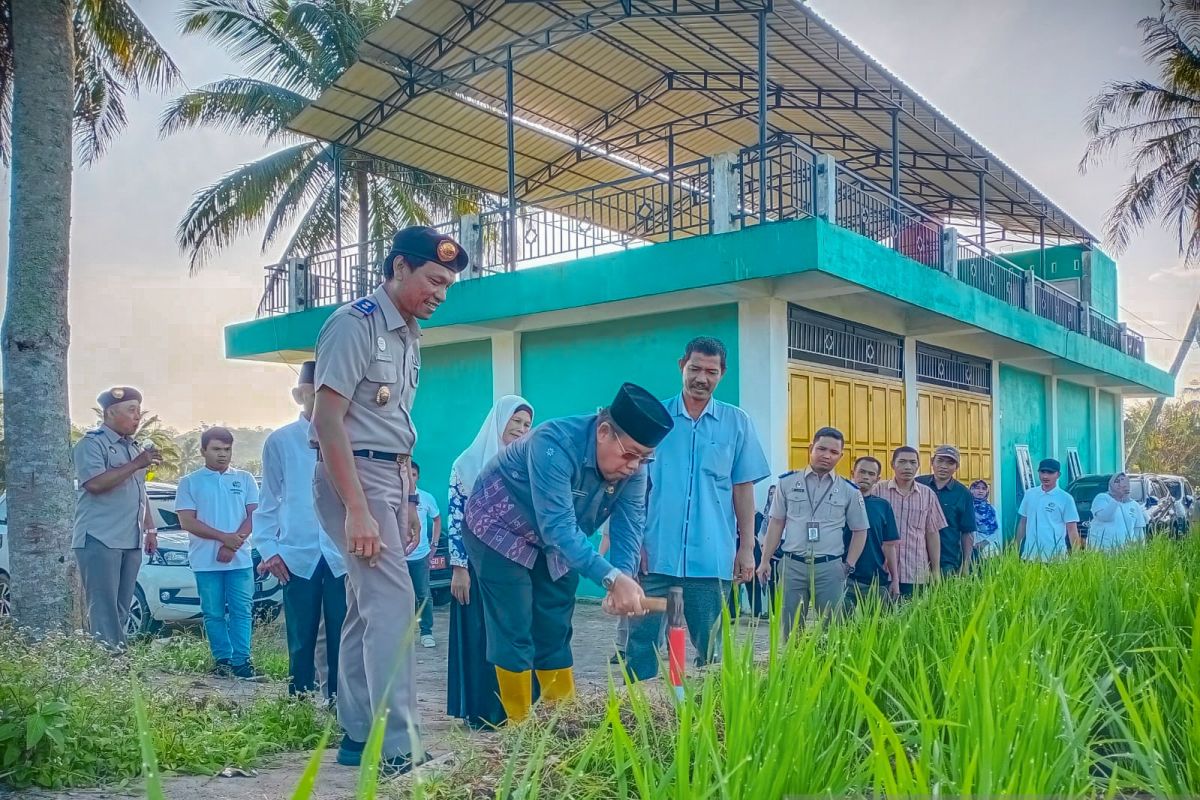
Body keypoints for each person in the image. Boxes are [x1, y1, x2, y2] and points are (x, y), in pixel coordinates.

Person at [310, 225, 468, 774]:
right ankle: (399, 747)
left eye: (447, 285)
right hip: (352, 476)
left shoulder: (408, 336)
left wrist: (403, 504)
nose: (440, 294)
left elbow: (395, 432)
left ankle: (357, 735)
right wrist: (356, 508)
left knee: (366, 608)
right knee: (395, 609)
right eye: (433, 280)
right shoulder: (355, 325)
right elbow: (327, 422)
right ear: (400, 266)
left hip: (389, 480)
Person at [462, 383, 671, 722]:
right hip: (500, 527)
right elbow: (558, 527)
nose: (635, 466)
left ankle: (563, 725)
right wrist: (610, 578)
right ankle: (520, 730)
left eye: (644, 457)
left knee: (555, 623)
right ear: (604, 432)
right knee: (515, 625)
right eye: (630, 454)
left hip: (555, 535)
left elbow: (630, 525)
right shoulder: (554, 443)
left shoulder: (634, 467)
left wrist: (625, 577)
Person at [625, 337, 769, 683]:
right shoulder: (653, 419)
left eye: (711, 371)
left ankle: (711, 716)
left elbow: (742, 489)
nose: (701, 378)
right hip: (655, 553)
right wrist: (635, 544)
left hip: (710, 555)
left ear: (722, 374)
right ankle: (640, 713)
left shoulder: (737, 423)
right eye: (695, 369)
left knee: (712, 647)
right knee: (642, 641)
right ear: (681, 366)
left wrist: (746, 548)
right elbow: (633, 487)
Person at [253, 361, 347, 698]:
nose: (320, 400)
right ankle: (300, 701)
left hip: (340, 553)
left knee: (342, 632)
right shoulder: (281, 441)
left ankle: (339, 702)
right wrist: (269, 549)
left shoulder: (348, 435)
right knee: (301, 634)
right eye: (313, 394)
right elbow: (268, 502)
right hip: (297, 553)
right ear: (299, 395)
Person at [446, 395, 534, 728]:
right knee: (481, 635)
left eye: (527, 424)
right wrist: (459, 568)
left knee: (514, 636)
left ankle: (518, 710)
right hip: (476, 567)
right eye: (516, 422)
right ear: (499, 421)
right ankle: (483, 711)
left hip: (517, 569)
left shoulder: (527, 465)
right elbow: (456, 518)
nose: (522, 429)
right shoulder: (466, 465)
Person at [72, 387, 163, 651]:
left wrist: (150, 529)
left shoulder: (133, 447)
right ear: (111, 412)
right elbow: (95, 484)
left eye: (139, 411)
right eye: (131, 411)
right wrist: (136, 464)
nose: (137, 417)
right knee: (103, 605)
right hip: (100, 537)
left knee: (122, 605)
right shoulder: (91, 444)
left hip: (130, 537)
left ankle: (114, 656)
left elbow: (139, 492)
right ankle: (111, 661)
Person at [756, 427, 868, 638]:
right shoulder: (787, 482)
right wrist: (764, 561)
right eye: (821, 449)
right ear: (811, 448)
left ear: (840, 456)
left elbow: (860, 530)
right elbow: (776, 522)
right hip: (792, 566)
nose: (826, 455)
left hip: (829, 567)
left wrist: (848, 565)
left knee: (833, 630)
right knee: (789, 629)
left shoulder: (849, 490)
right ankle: (791, 668)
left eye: (834, 452)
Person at [176, 427, 261, 680]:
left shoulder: (244, 479)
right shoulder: (190, 482)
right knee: (213, 612)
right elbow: (187, 522)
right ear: (203, 451)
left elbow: (254, 514)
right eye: (216, 449)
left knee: (241, 610)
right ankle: (222, 660)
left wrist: (233, 544)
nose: (222, 455)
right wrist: (224, 539)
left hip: (240, 559)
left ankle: (242, 661)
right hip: (205, 560)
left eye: (227, 449)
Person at [871, 446, 946, 597]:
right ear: (892, 464)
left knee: (913, 617)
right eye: (902, 462)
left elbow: (932, 533)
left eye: (912, 462)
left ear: (918, 465)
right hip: (882, 569)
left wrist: (936, 570)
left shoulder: (927, 494)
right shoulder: (877, 491)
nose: (908, 467)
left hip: (916, 570)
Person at [843, 456, 901, 612]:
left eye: (871, 474)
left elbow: (889, 546)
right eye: (862, 472)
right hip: (844, 579)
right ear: (852, 472)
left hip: (876, 581)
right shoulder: (839, 503)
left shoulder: (883, 507)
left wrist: (894, 580)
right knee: (841, 632)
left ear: (877, 478)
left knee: (880, 632)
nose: (865, 477)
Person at [916, 445, 976, 577]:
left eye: (950, 463)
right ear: (932, 462)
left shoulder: (963, 493)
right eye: (940, 461)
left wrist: (965, 565)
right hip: (915, 557)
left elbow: (967, 532)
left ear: (956, 467)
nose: (944, 466)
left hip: (947, 560)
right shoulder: (918, 485)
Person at [1015, 458, 1082, 561]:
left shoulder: (1065, 498)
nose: (1045, 476)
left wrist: (1077, 557)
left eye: (1050, 472)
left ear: (1058, 475)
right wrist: (1015, 548)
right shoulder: (1030, 494)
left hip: (1055, 557)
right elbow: (1023, 522)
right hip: (1030, 556)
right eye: (1042, 472)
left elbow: (1072, 529)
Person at [406, 460, 441, 649]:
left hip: (420, 556)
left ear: (417, 477)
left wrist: (434, 544)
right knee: (400, 596)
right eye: (406, 473)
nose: (409, 477)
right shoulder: (392, 496)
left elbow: (437, 519)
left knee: (423, 593)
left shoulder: (426, 498)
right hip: (396, 557)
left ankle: (426, 631)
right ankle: (404, 632)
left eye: (413, 474)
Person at [1088, 472, 1148, 551]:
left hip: (1125, 553)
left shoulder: (1134, 505)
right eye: (1117, 481)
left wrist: (1141, 552)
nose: (1120, 484)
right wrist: (1116, 498)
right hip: (1102, 552)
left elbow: (1139, 532)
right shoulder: (1102, 498)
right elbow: (1105, 517)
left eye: (1123, 481)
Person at [970, 480, 1001, 561]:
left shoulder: (991, 509)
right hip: (969, 547)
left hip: (988, 547)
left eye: (983, 489)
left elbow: (997, 530)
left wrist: (984, 543)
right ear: (971, 490)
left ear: (987, 492)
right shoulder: (967, 508)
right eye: (977, 488)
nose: (980, 491)